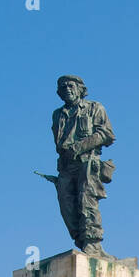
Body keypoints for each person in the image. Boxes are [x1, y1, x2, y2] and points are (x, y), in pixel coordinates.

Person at [50, 75, 115, 256]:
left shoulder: (95, 108)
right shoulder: (58, 115)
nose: (67, 90)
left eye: (71, 86)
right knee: (66, 205)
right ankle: (80, 239)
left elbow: (107, 134)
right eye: (63, 88)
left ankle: (92, 242)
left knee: (87, 201)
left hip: (87, 162)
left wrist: (79, 146)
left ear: (80, 89)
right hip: (66, 166)